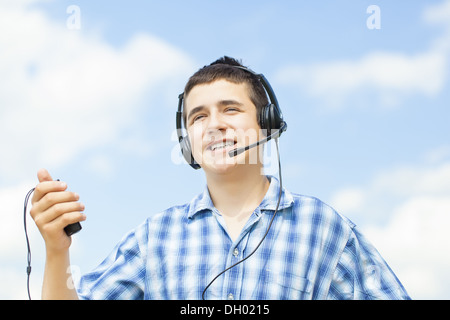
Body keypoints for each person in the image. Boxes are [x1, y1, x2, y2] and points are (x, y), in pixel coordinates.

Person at [30, 56, 410, 300]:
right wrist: (56, 250)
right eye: (198, 117)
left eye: (230, 109)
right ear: (187, 143)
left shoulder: (324, 227)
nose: (214, 125)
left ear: (267, 124)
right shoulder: (153, 236)